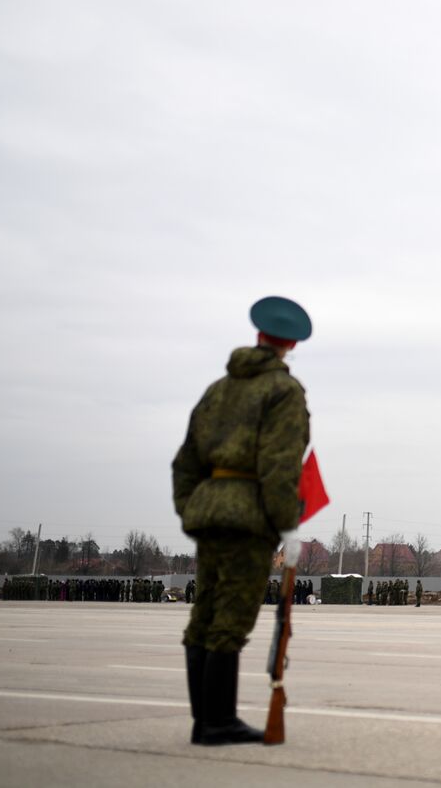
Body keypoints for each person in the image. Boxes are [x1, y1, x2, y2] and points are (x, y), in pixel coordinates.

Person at [172, 296, 312, 745]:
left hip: (209, 512)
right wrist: (287, 525)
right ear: (290, 342)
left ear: (258, 336)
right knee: (231, 618)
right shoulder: (282, 391)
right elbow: (278, 466)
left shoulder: (218, 389)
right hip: (250, 518)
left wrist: (194, 507)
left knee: (204, 615)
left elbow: (185, 461)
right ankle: (217, 722)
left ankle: (204, 720)